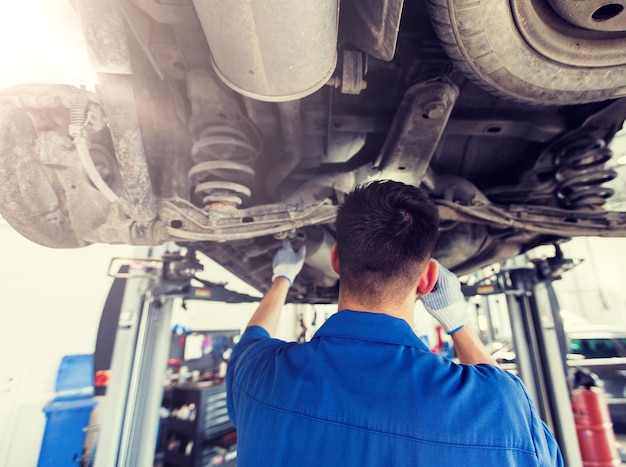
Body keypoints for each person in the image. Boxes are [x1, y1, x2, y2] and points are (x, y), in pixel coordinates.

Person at [226, 180, 563, 466]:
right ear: (429, 279)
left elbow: (253, 338)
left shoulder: (257, 375)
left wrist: (282, 276)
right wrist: (459, 325)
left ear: (335, 259)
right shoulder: (502, 406)